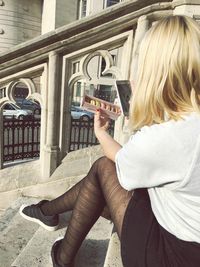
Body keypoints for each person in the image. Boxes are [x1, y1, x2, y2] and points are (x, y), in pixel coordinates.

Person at [19, 15, 200, 267]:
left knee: (103, 169)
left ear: (155, 71)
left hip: (171, 255)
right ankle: (48, 215)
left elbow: (123, 163)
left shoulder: (167, 136)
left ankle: (54, 231)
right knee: (102, 178)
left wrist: (103, 132)